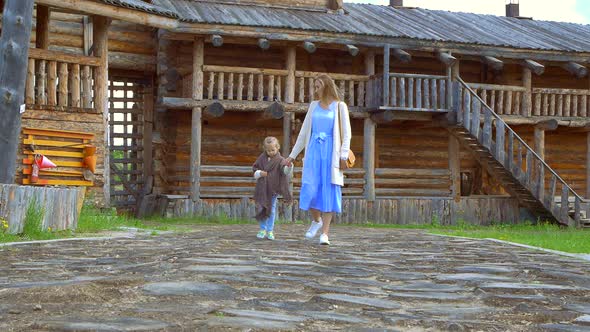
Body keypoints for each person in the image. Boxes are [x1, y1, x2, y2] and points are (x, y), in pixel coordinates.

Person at [285, 74, 351, 245]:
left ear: (326, 86)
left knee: (328, 189)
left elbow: (346, 133)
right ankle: (316, 220)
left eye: (317, 86)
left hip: (331, 152)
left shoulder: (339, 106)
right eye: (314, 86)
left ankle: (325, 234)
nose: (315, 90)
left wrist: (343, 156)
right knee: (310, 187)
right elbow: (304, 132)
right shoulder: (313, 106)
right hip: (314, 150)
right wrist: (292, 156)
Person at [253, 136, 293, 240]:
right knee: (262, 208)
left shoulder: (280, 160)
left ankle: (270, 230)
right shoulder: (262, 158)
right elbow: (255, 168)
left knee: (271, 209)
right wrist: (260, 173)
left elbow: (284, 171)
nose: (270, 152)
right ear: (265, 149)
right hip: (262, 188)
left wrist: (288, 167)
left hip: (273, 189)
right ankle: (262, 229)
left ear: (278, 147)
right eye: (268, 150)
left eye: (273, 150)